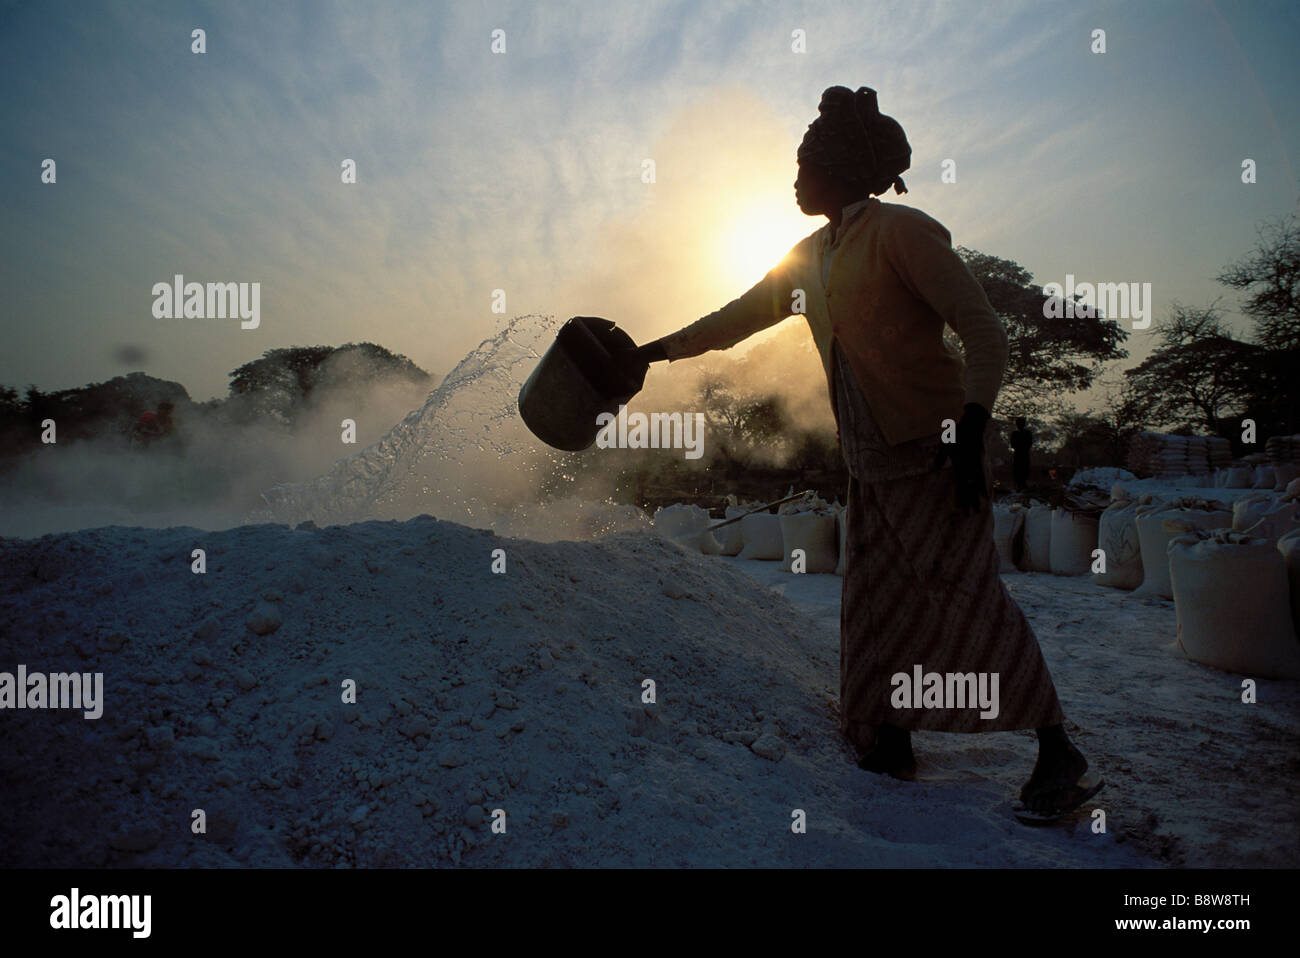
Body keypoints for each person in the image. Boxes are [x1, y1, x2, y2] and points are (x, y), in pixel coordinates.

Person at [619, 85, 1098, 819]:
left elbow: (984, 330)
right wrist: (649, 353)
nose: (795, 178)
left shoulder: (902, 234)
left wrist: (971, 428)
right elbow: (733, 319)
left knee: (965, 599)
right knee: (876, 601)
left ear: (839, 170)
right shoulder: (808, 259)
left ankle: (1057, 753)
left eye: (805, 164)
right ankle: (889, 734)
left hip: (938, 455)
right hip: (869, 462)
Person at [1009, 417, 1033, 491]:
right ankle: (1020, 485)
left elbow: (1013, 445)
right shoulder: (1025, 433)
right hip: (1022, 454)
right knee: (1021, 470)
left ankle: (1021, 485)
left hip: (1020, 454)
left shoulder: (1016, 434)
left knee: (1021, 470)